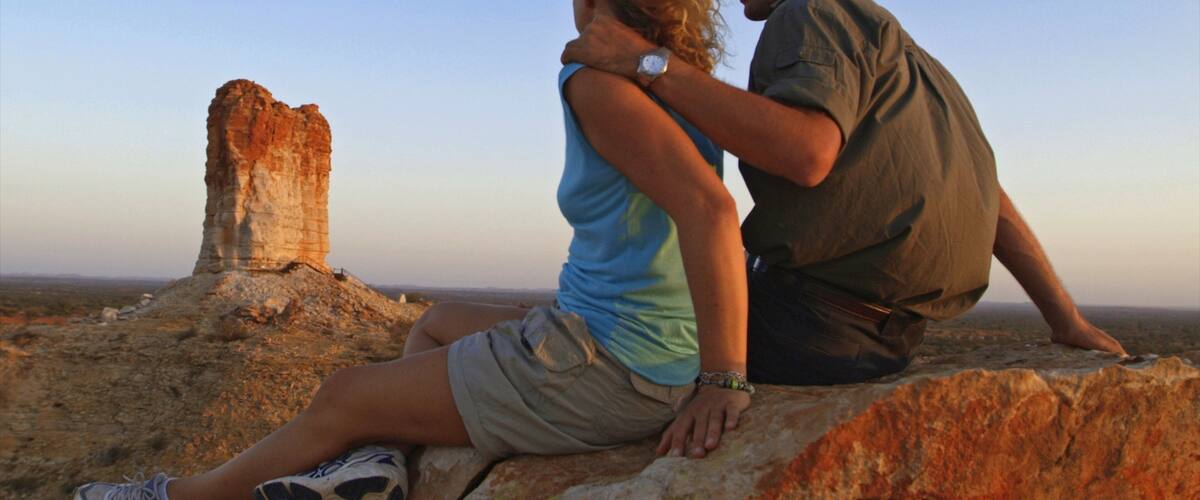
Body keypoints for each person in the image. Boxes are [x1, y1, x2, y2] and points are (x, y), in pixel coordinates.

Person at [73, 1, 748, 499]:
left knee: (343, 395)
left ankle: (172, 496)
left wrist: (723, 379)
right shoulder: (681, 83)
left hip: (614, 364)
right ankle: (379, 464)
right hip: (625, 338)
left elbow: (709, 210)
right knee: (434, 319)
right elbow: (648, 233)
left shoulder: (597, 81)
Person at [562, 0, 1127, 386]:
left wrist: (646, 63)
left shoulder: (809, 12)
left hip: (811, 327)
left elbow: (806, 154)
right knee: (566, 317)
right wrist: (1064, 318)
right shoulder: (907, 57)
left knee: (611, 334)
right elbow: (986, 197)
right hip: (888, 339)